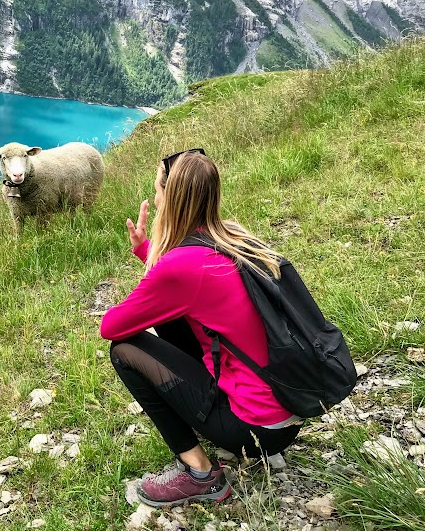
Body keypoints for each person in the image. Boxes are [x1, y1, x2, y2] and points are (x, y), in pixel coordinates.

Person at [100, 149, 302, 507]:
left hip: (252, 430)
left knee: (123, 350)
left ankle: (200, 474)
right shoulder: (233, 237)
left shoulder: (182, 266)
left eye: (158, 190)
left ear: (171, 197)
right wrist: (147, 251)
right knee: (167, 314)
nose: (156, 198)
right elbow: (186, 291)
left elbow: (111, 325)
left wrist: (154, 259)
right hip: (288, 409)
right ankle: (235, 436)